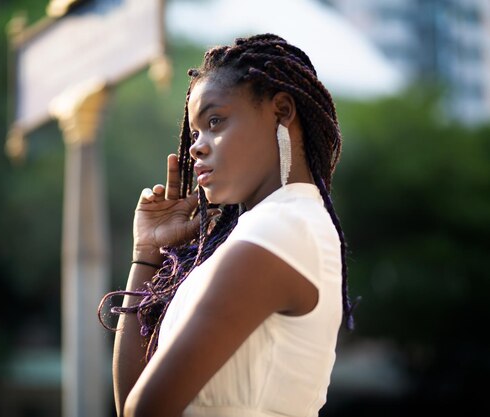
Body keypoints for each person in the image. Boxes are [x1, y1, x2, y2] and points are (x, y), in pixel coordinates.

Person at [99, 33, 354, 417]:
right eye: (195, 133)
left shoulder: (283, 230)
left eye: (215, 121)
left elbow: (145, 410)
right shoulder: (263, 231)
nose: (195, 147)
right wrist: (147, 253)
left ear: (282, 110)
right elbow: (131, 402)